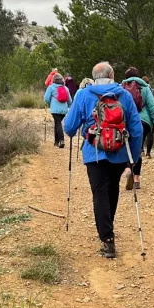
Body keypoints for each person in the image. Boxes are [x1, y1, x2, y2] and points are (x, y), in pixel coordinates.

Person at [64, 61, 145, 257]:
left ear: (94, 76)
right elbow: (137, 129)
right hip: (118, 154)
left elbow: (69, 127)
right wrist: (132, 158)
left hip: (95, 155)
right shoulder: (124, 95)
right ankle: (108, 227)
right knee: (112, 190)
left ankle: (107, 239)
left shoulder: (83, 94)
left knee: (99, 193)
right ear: (112, 75)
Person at [120, 67, 154, 190]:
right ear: (138, 75)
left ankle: (128, 170)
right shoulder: (145, 88)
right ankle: (136, 178)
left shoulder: (121, 87)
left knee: (125, 146)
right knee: (138, 149)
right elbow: (152, 106)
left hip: (126, 121)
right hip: (143, 122)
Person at [44, 73, 72, 148]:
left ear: (54, 80)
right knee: (57, 123)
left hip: (55, 109)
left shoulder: (51, 87)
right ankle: (56, 142)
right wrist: (69, 106)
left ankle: (61, 140)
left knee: (58, 123)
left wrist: (50, 102)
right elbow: (70, 101)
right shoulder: (66, 88)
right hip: (64, 110)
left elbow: (46, 98)